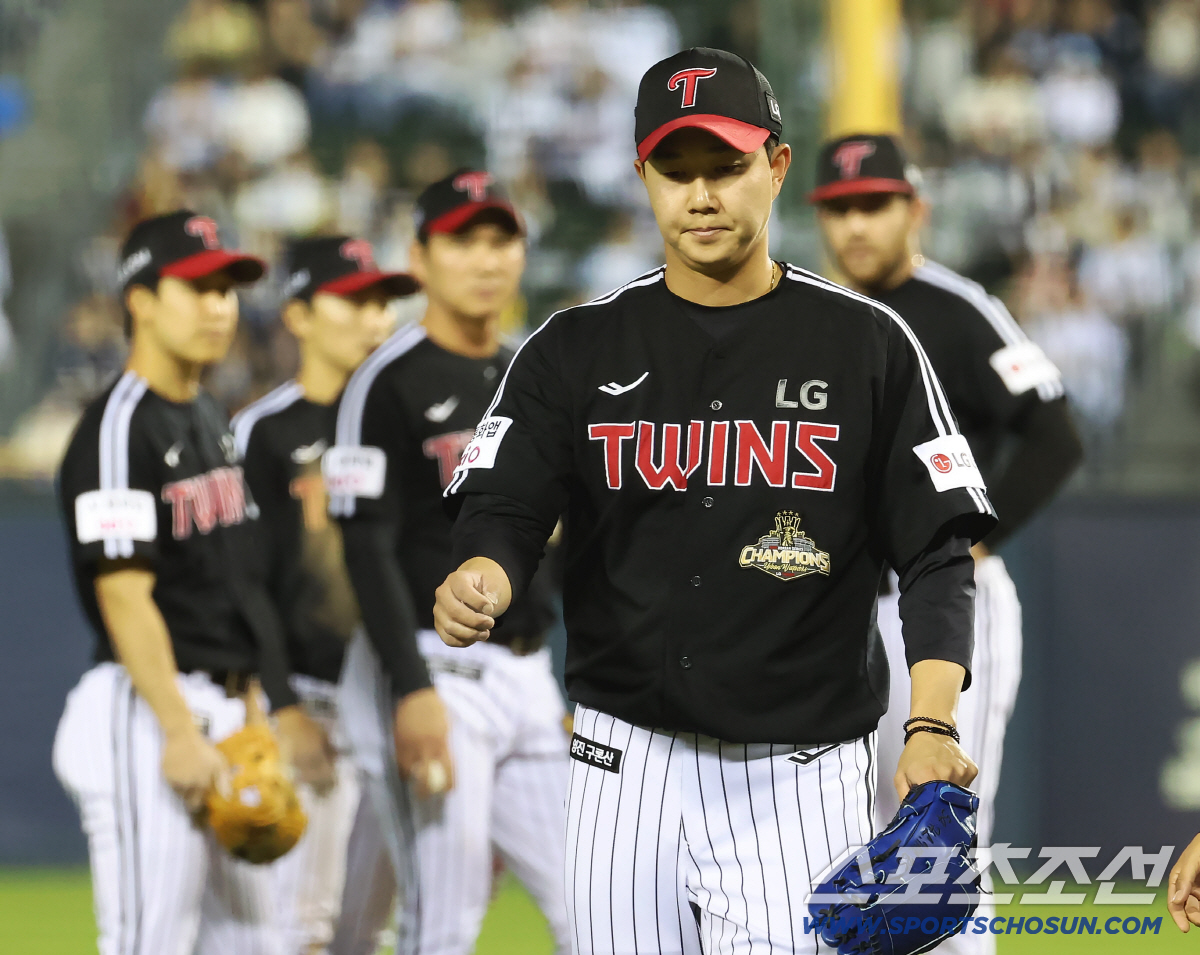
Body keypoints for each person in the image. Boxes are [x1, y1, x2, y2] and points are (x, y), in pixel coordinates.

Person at [435, 48, 991, 954]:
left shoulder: (867, 344)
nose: (701, 196)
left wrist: (929, 722)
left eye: (726, 168)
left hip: (796, 772)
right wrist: (483, 573)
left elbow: (938, 553)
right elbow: (502, 504)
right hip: (623, 764)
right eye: (676, 170)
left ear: (774, 166)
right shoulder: (574, 348)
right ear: (641, 176)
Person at [810, 133, 1084, 955]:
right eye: (840, 209)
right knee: (856, 837)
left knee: (939, 834)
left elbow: (1055, 434)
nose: (857, 224)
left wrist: (971, 541)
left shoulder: (956, 308)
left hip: (945, 602)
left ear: (914, 209)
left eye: (874, 204)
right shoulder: (822, 316)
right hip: (855, 610)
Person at [52, 210, 326, 955]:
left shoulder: (207, 414)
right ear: (139, 299)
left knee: (257, 941)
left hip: (222, 710)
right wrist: (177, 727)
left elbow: (235, 581)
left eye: (228, 289)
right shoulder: (119, 425)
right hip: (147, 710)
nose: (218, 305)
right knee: (151, 940)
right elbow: (122, 592)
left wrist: (252, 709)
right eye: (196, 287)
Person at [328, 170, 571, 954]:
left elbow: (560, 539)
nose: (486, 258)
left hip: (529, 674)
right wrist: (411, 687)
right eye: (463, 239)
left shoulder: (531, 373)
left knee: (596, 905)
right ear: (420, 256)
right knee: (445, 916)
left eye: (502, 238)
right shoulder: (383, 378)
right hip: (433, 667)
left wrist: (571, 680)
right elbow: (364, 546)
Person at [231, 236, 415, 955]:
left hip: (395, 704)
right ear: (300, 316)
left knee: (374, 931)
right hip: (308, 703)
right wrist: (279, 706)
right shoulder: (264, 432)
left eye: (382, 302)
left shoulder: (403, 421)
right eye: (354, 301)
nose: (375, 319)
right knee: (301, 928)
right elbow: (245, 584)